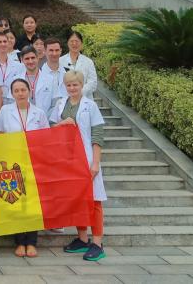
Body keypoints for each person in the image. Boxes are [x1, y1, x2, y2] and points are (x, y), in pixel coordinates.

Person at [55, 71, 108, 262]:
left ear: (82, 85)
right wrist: (63, 123)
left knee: (94, 201)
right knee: (78, 200)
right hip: (69, 160)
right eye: (69, 85)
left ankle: (97, 243)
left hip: (86, 159)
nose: (72, 88)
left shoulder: (90, 106)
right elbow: (52, 128)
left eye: (75, 84)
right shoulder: (61, 104)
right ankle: (83, 239)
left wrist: (95, 163)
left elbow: (97, 135)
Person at [0, 78, 51, 259]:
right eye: (16, 90)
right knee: (16, 201)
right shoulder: (5, 111)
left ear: (29, 91)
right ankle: (19, 242)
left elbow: (46, 138)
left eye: (23, 90)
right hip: (13, 163)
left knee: (33, 202)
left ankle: (32, 242)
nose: (20, 93)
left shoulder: (39, 113)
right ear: (12, 94)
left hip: (34, 162)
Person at [59, 33, 98, 99]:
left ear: (81, 43)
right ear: (67, 43)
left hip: (85, 99)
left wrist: (79, 91)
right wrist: (70, 92)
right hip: (66, 98)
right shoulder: (60, 61)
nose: (74, 44)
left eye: (77, 41)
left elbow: (93, 83)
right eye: (72, 41)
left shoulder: (88, 62)